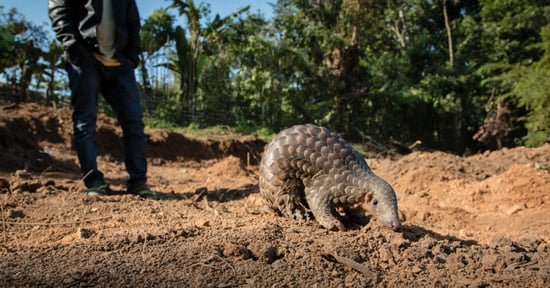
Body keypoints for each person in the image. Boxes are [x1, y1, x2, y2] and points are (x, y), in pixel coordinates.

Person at [48, 0, 158, 199]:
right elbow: (59, 9)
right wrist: (74, 47)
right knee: (85, 122)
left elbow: (133, 22)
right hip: (85, 60)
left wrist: (132, 57)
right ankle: (94, 182)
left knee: (134, 122)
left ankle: (138, 182)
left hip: (120, 63)